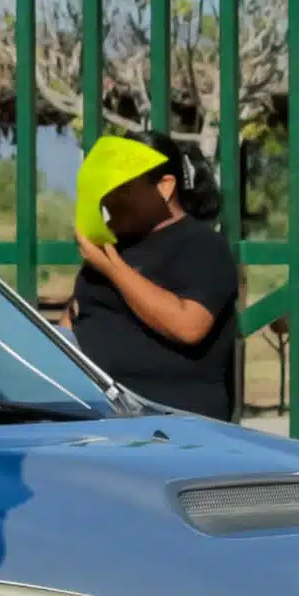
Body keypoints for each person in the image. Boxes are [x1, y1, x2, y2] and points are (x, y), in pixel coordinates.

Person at [68, 135, 241, 420]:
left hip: (170, 424)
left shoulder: (202, 246)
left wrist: (114, 269)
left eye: (123, 188)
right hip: (98, 416)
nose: (110, 199)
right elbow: (75, 319)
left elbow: (188, 325)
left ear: (165, 187)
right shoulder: (113, 248)